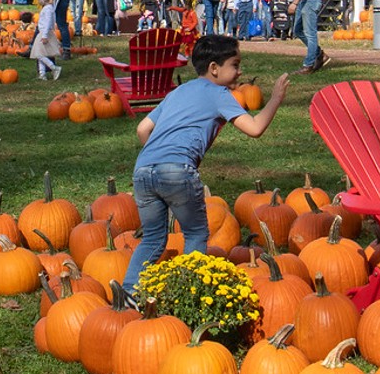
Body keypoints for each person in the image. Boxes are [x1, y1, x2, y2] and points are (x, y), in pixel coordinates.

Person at [121, 35, 292, 290]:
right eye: (235, 64)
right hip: (178, 171)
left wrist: (159, 161)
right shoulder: (219, 93)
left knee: (153, 238)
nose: (239, 71)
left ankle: (128, 293)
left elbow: (142, 128)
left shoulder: (178, 91)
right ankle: (188, 292)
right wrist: (277, 97)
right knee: (196, 234)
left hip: (144, 170)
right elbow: (255, 128)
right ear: (214, 68)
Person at [30, 0, 65, 80]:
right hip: (42, 32)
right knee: (41, 53)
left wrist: (45, 35)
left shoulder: (48, 9)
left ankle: (54, 68)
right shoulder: (47, 8)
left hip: (44, 33)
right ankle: (42, 74)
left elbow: (48, 22)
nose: (38, 1)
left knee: (39, 54)